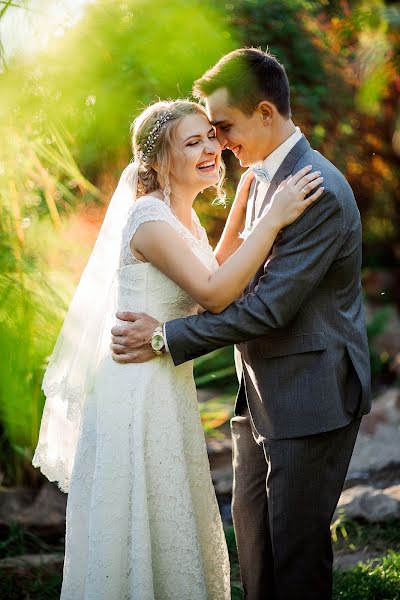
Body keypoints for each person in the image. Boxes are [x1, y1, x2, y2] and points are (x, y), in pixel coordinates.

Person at [32, 98, 322, 600]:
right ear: (159, 162)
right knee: (142, 516)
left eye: (211, 136)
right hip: (137, 389)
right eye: (194, 142)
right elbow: (213, 294)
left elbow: (213, 271)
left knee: (169, 512)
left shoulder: (178, 216)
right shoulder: (148, 220)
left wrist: (240, 212)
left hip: (164, 380)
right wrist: (272, 219)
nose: (212, 148)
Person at [111, 49, 372, 600]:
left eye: (224, 127)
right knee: (256, 552)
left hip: (310, 395)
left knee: (295, 559)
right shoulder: (262, 182)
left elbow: (267, 308)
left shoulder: (313, 189)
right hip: (259, 394)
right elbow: (229, 276)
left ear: (264, 113)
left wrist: (164, 337)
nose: (218, 142)